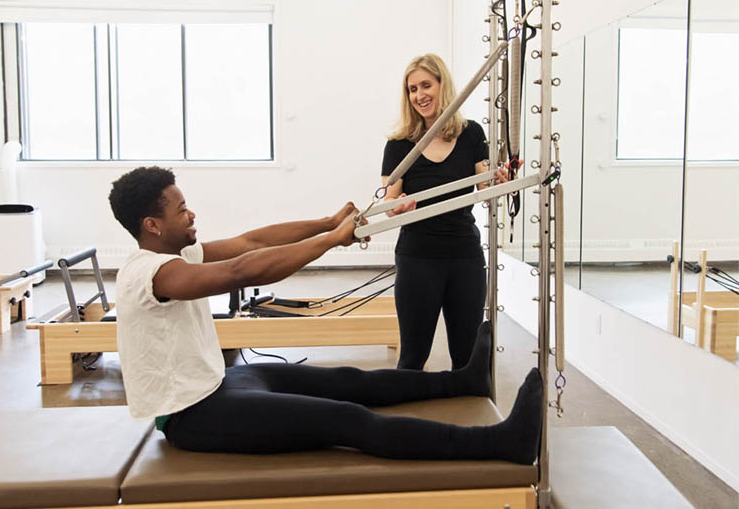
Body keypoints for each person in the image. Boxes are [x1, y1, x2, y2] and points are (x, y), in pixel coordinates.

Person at [108, 166, 542, 463]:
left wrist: (328, 222)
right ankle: (500, 443)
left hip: (218, 385)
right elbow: (241, 270)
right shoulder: (152, 273)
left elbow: (250, 243)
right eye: (180, 208)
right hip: (193, 415)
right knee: (345, 420)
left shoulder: (178, 252)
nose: (191, 212)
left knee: (347, 381)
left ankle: (463, 380)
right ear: (152, 224)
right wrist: (334, 240)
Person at [381, 53, 511, 371]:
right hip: (417, 257)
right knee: (412, 357)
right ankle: (404, 420)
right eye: (412, 89)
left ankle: (468, 420)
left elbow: (487, 188)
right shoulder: (399, 144)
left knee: (467, 358)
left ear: (443, 85)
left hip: (464, 256)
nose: (419, 95)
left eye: (426, 85)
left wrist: (501, 179)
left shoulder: (471, 134)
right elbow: (388, 202)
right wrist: (397, 207)